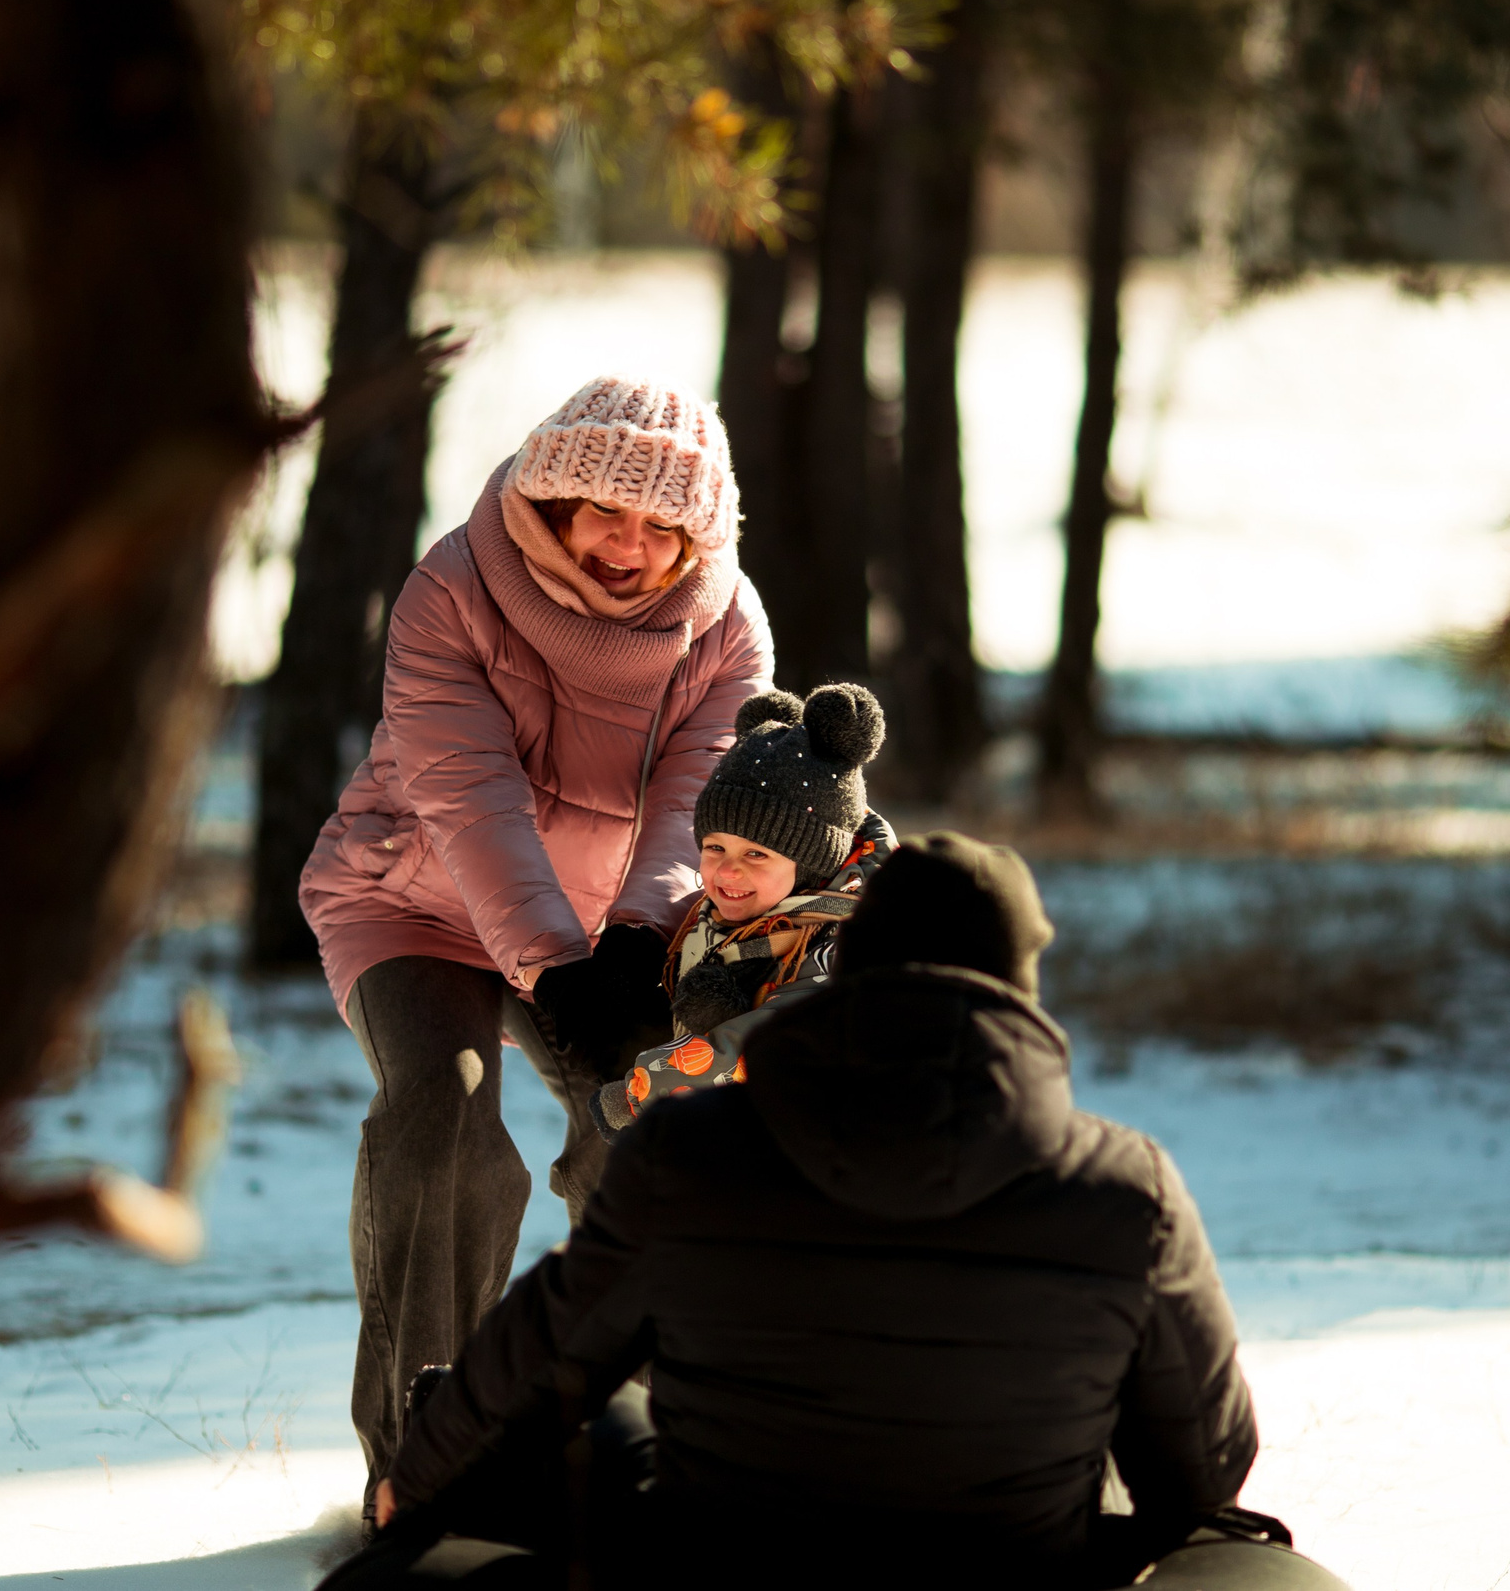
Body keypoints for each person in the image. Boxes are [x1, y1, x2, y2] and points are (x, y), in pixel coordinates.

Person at [327, 833, 1353, 1590]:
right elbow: (1203, 1473)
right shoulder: (1126, 1188)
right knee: (1263, 1574)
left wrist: (414, 1482)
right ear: (1017, 988)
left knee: (590, 1432)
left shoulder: (686, 1154)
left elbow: (536, 1362)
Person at [298, 375, 772, 1513]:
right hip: (413, 901)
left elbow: (694, 807)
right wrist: (552, 967)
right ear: (553, 499)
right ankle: (420, 1459)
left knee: (647, 1114)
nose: (631, 545)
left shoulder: (727, 625)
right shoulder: (451, 590)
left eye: (666, 527)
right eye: (608, 512)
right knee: (443, 1115)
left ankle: (654, 1448)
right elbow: (464, 796)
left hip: (610, 926)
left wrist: (635, 941)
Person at [596, 682, 894, 1130]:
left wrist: (639, 1095)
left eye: (756, 854)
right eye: (714, 847)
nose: (728, 872)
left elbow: (772, 1044)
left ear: (814, 865)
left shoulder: (850, 938)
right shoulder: (741, 910)